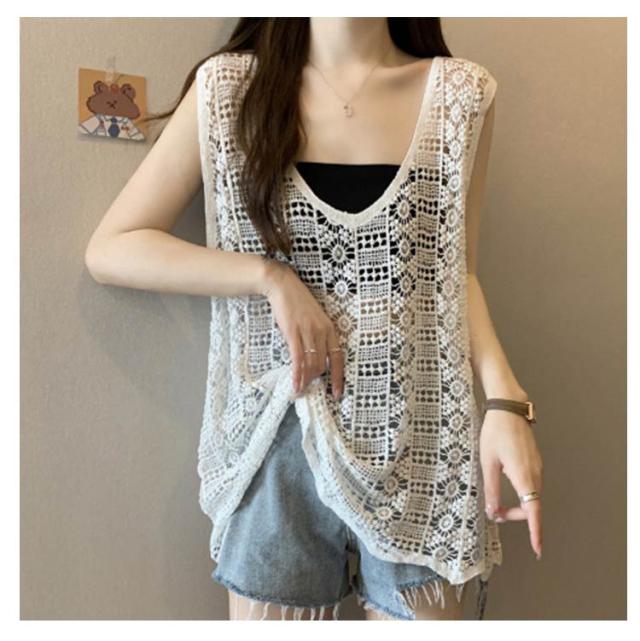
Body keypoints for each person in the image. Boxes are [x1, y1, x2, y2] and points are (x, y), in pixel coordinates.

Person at [85, 18, 544, 621]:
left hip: (418, 446)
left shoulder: (459, 95)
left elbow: (454, 276)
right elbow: (114, 247)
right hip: (274, 446)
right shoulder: (228, 91)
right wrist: (269, 277)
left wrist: (507, 404)